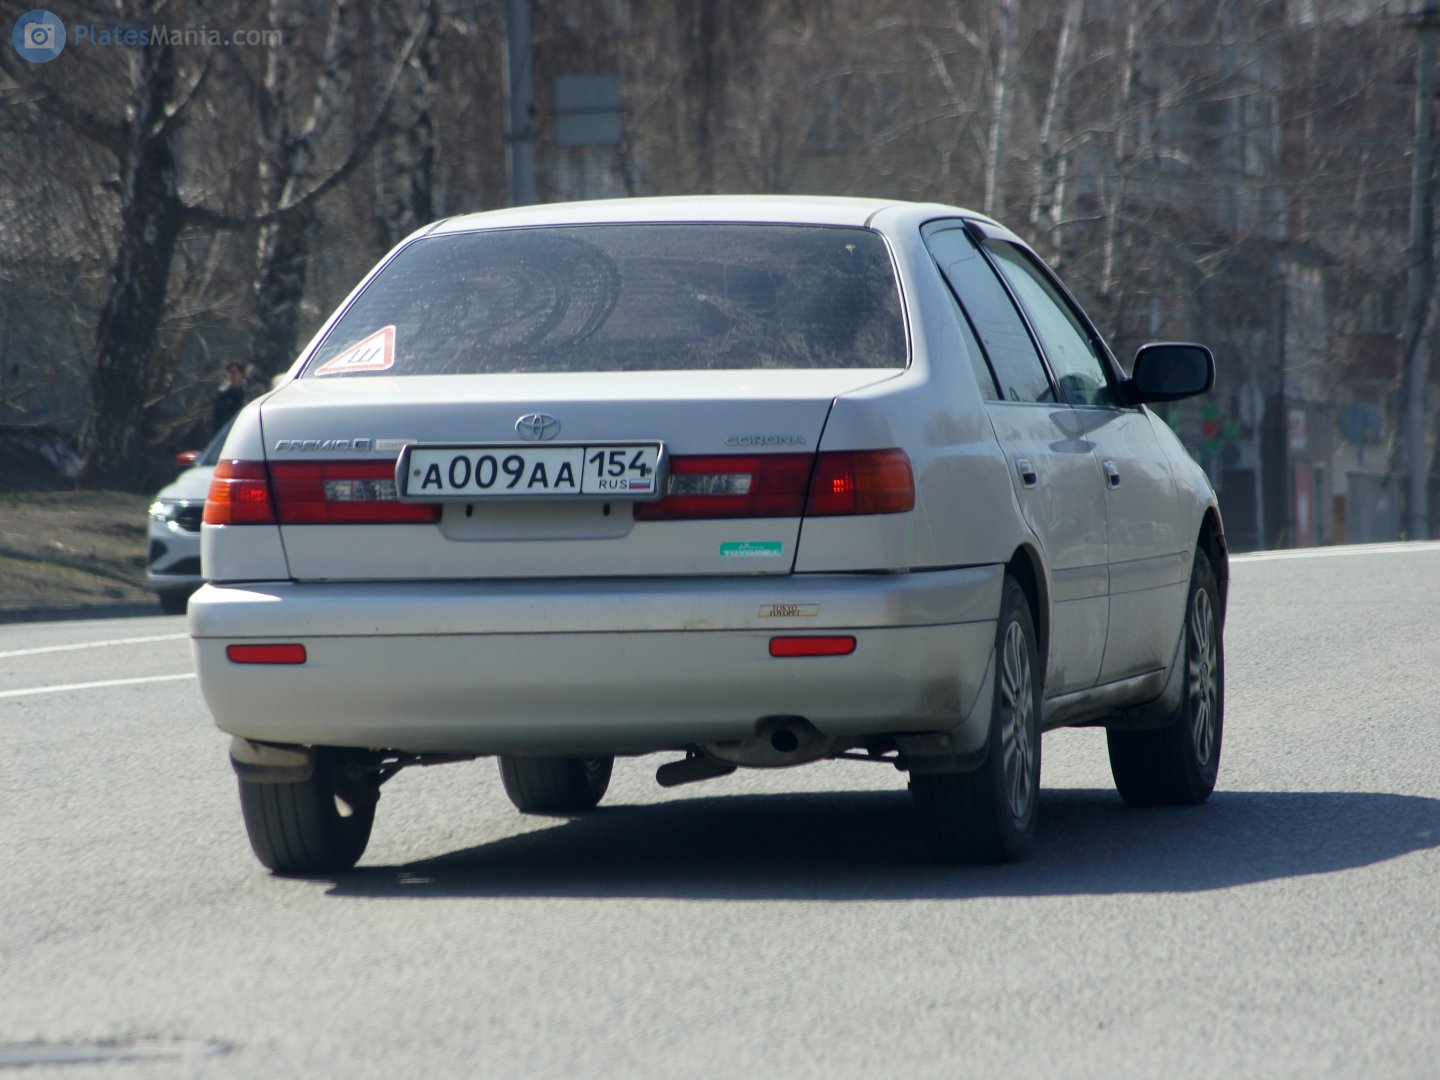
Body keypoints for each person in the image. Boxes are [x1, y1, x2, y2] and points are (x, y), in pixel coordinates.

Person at [212, 362, 247, 434]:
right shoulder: (222, 395)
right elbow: (217, 417)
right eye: (229, 372)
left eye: (234, 372)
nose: (231, 375)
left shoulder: (248, 392)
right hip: (227, 431)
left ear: (241, 374)